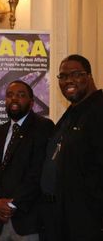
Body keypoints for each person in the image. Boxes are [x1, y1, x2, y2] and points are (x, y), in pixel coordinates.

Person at [40, 54, 103, 241]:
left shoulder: (99, 110)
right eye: (63, 76)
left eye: (76, 74)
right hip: (59, 215)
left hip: (87, 220)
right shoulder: (73, 111)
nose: (68, 80)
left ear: (89, 76)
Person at [0, 80, 54, 241]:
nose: (14, 99)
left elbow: (39, 172)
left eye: (21, 95)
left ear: (31, 103)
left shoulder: (44, 127)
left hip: (28, 221)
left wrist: (11, 205)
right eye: (10, 95)